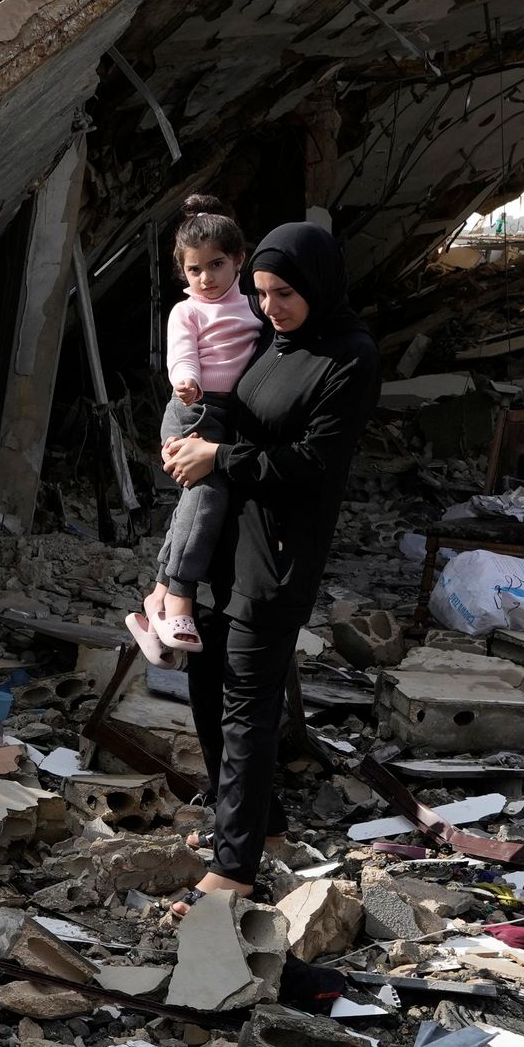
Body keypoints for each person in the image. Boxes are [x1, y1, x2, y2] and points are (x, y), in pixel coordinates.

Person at [157, 219, 376, 900]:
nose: (271, 306)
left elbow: (316, 462)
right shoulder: (267, 342)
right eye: (260, 293)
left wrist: (219, 457)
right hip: (223, 544)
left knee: (247, 703)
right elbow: (228, 408)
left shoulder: (348, 356)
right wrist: (191, 438)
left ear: (316, 285)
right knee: (205, 687)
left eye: (285, 293)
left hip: (277, 553)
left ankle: (235, 865)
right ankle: (260, 823)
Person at [122, 194, 259, 668]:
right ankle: (179, 596)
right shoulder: (189, 312)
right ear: (184, 272)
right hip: (194, 410)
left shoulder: (256, 308)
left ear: (238, 260)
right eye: (195, 270)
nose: (207, 278)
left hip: (232, 416)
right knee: (210, 494)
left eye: (216, 265)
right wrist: (188, 381)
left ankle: (156, 601)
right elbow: (182, 354)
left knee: (196, 501)